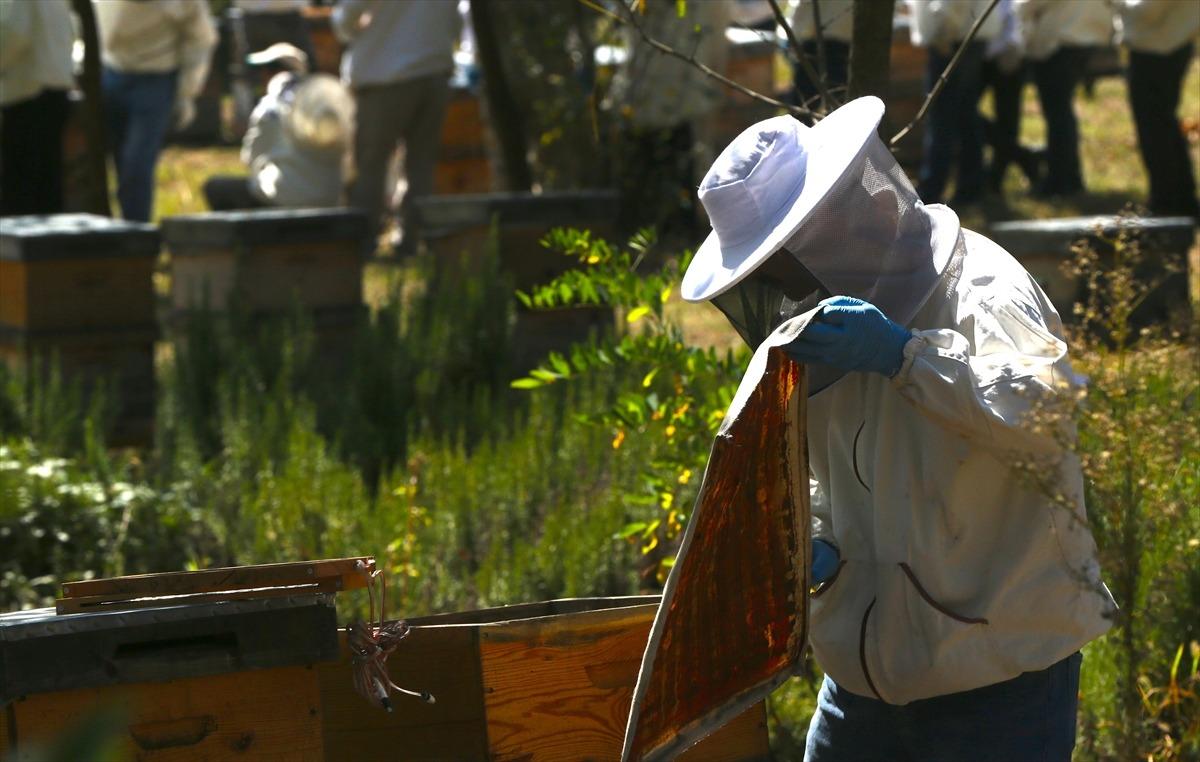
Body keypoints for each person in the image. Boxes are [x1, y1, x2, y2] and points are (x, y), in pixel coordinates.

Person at [679, 96, 1116, 761]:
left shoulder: (983, 289)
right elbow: (832, 465)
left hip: (999, 682)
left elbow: (1045, 416)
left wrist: (908, 357)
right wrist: (813, 535)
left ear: (829, 222)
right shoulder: (823, 319)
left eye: (781, 258)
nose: (779, 283)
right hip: (861, 685)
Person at [333, 0, 460, 256]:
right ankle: (410, 239)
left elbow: (346, 17)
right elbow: (455, 22)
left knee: (369, 165)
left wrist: (354, 30)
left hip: (385, 74)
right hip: (434, 70)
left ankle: (363, 241)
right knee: (421, 165)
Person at [608, 0, 731, 242]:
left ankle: (678, 231)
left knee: (683, 164)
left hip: (681, 91)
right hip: (652, 92)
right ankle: (658, 230)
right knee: (657, 166)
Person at [94, 0, 216, 222]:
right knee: (111, 162)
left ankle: (136, 233)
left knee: (137, 164)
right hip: (110, 74)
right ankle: (112, 229)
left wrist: (186, 92)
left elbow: (200, 39)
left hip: (156, 80)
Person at [203, 44, 353, 211]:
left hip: (284, 197)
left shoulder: (269, 106)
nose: (261, 76)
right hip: (332, 197)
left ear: (272, 73)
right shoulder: (327, 104)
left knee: (215, 187)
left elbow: (250, 158)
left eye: (265, 70)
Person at [1017, 0, 1115, 197]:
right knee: (1062, 113)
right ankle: (1071, 178)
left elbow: (1028, 5)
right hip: (1085, 37)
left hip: (1059, 43)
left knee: (1058, 116)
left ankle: (1058, 181)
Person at [908, 0, 1001, 205]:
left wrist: (944, 30)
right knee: (965, 114)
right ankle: (971, 186)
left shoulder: (949, 30)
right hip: (962, 33)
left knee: (942, 118)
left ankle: (932, 190)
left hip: (952, 36)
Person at [1118, 0, 1200, 219]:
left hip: (1157, 49)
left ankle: (1167, 200)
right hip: (1172, 44)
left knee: (1154, 128)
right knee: (1165, 124)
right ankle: (1181, 197)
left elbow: (1146, 11)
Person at [0, 0, 75, 216]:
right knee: (47, 186)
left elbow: (13, 34)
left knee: (22, 190)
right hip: (53, 88)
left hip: (30, 93)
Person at [787, 0, 853, 117]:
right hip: (827, 45)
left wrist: (796, 39)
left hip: (827, 45)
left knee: (806, 103)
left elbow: (801, 16)